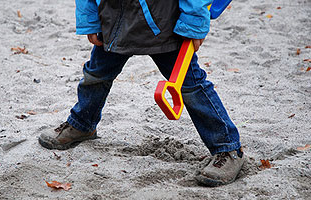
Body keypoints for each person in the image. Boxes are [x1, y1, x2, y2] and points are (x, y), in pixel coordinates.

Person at [38, 0, 244, 187]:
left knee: (191, 85)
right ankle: (82, 125)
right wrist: (89, 19)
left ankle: (227, 148)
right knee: (95, 76)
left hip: (165, 23)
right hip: (115, 21)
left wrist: (193, 20)